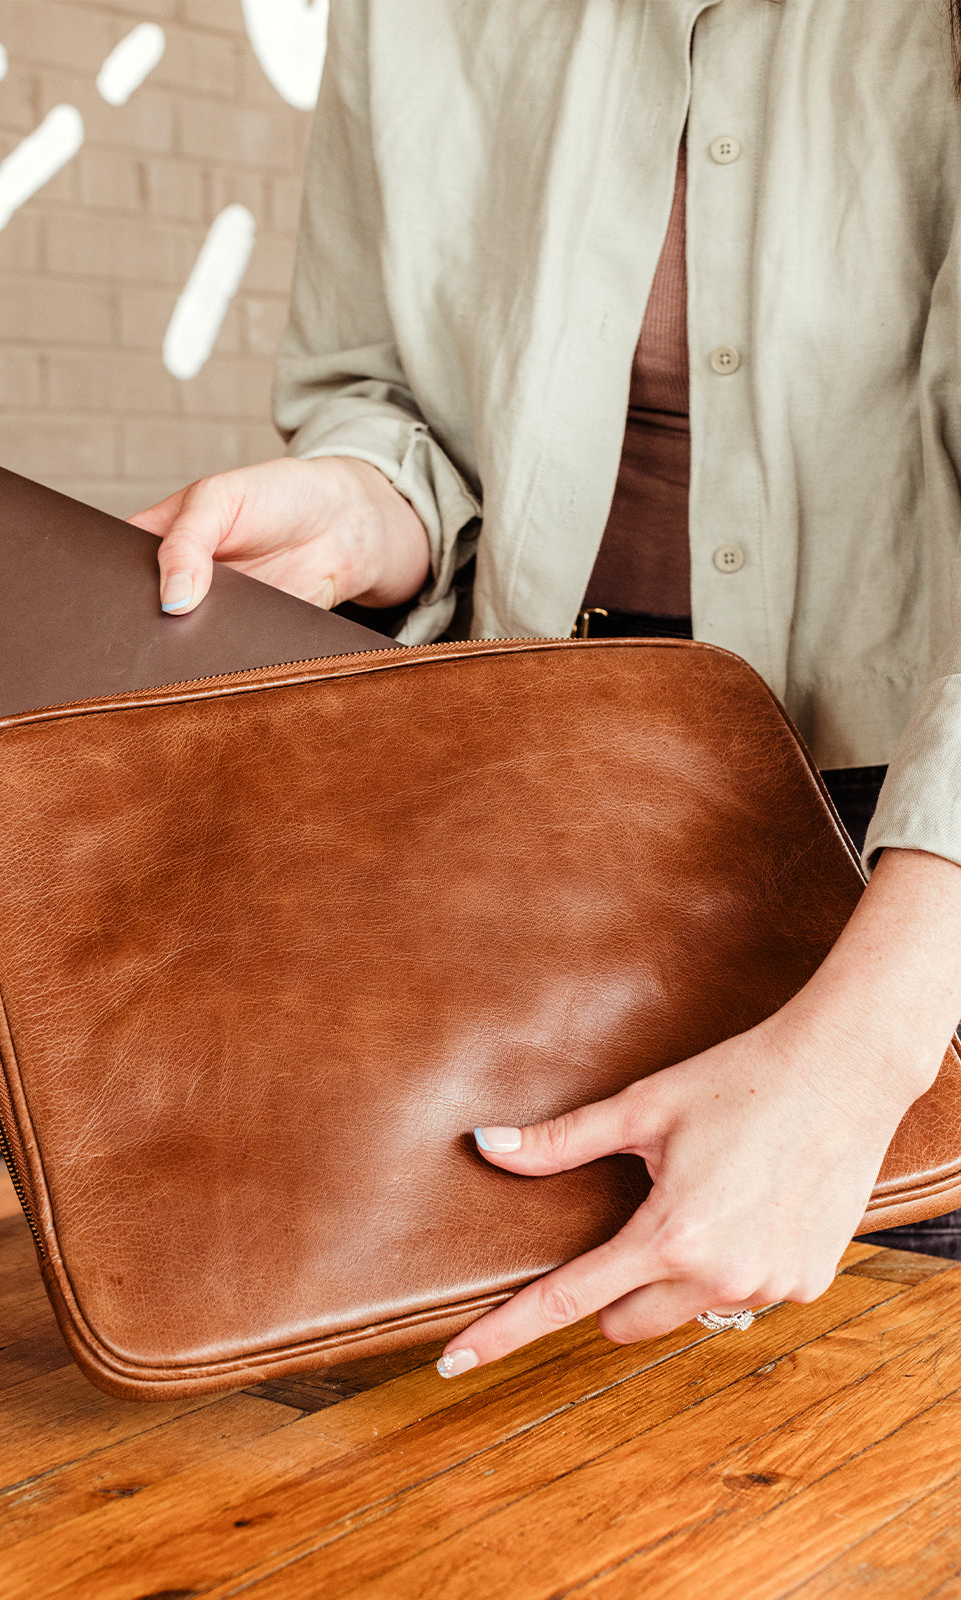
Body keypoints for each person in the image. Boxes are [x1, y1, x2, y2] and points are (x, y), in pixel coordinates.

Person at [130, 0, 961, 1375]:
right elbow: (385, 395)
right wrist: (360, 506)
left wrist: (862, 1055)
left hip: (920, 859)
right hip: (551, 811)